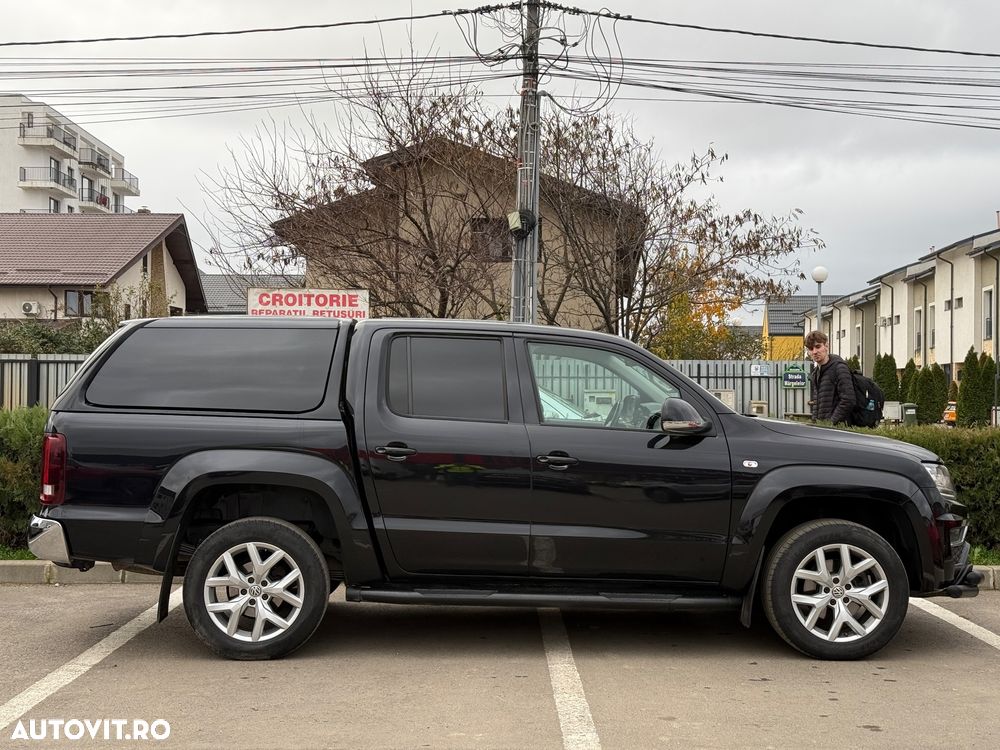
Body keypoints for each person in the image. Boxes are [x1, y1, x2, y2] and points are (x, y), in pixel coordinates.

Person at [805, 330, 856, 425]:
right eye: (811, 349)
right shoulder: (816, 373)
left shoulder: (839, 368)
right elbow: (818, 405)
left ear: (827, 346)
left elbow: (848, 400)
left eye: (818, 346)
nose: (815, 352)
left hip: (838, 431)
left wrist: (830, 423)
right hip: (823, 430)